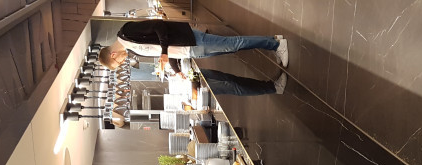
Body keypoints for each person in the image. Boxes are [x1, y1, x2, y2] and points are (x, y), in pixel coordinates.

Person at [98, 21, 288, 74]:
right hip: (188, 51)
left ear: (113, 54)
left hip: (190, 40)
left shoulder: (127, 32)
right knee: (232, 48)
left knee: (233, 43)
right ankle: (273, 40)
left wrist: (163, 53)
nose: (122, 62)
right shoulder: (131, 48)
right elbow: (165, 50)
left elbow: (159, 26)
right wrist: (172, 65)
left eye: (118, 62)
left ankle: (277, 44)